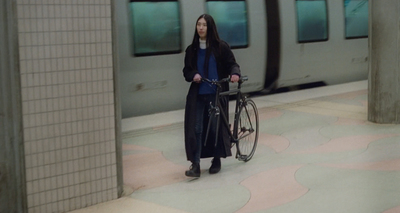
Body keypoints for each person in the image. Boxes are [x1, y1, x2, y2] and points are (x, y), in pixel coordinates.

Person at [182, 14, 241, 177]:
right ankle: (196, 164)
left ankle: (216, 159)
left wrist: (234, 74)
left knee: (215, 128)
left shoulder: (221, 47)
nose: (200, 27)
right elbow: (186, 70)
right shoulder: (191, 49)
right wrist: (193, 74)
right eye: (198, 24)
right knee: (197, 129)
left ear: (210, 27)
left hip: (216, 94)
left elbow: (232, 64)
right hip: (198, 95)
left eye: (204, 25)